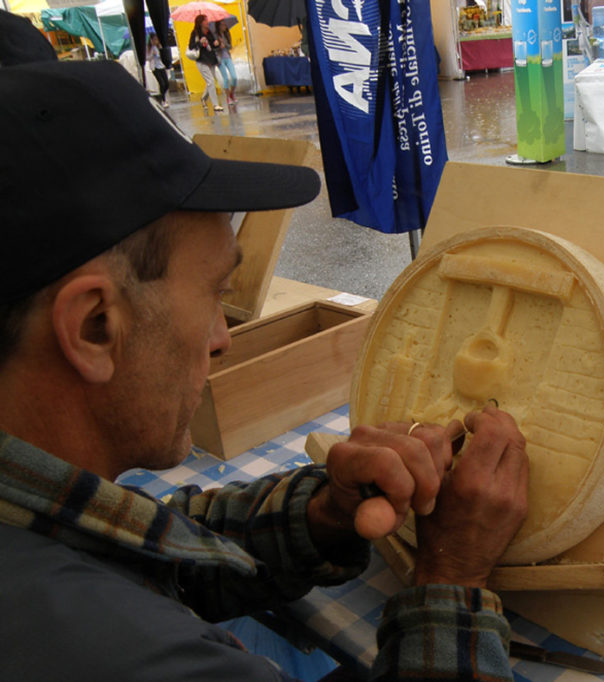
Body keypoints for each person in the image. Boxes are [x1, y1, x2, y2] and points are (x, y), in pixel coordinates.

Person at [0, 60, 529, 682]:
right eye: (216, 294)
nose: (225, 338)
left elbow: (133, 542)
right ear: (94, 326)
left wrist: (325, 512)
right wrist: (452, 575)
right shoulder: (112, 650)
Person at [189, 14, 223, 112]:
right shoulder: (195, 33)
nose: (208, 22)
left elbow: (213, 46)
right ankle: (215, 105)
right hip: (201, 60)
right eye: (206, 20)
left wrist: (217, 43)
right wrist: (199, 43)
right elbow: (191, 46)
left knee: (210, 82)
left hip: (211, 60)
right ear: (201, 22)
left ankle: (204, 98)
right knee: (211, 81)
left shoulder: (209, 32)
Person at [214, 19, 238, 105]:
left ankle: (232, 93)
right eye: (222, 25)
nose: (224, 27)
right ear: (218, 25)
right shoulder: (214, 35)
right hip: (220, 59)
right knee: (226, 78)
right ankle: (228, 97)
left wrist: (225, 44)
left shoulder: (226, 34)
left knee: (234, 77)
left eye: (225, 25)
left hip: (228, 57)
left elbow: (230, 46)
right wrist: (219, 46)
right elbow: (214, 48)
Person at [146, 32, 170, 107]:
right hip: (155, 68)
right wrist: (152, 55)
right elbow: (147, 58)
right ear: (151, 40)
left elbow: (165, 56)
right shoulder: (149, 48)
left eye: (157, 39)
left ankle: (161, 95)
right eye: (154, 39)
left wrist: (161, 51)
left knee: (166, 84)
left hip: (161, 66)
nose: (156, 41)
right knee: (162, 83)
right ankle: (163, 100)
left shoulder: (160, 46)